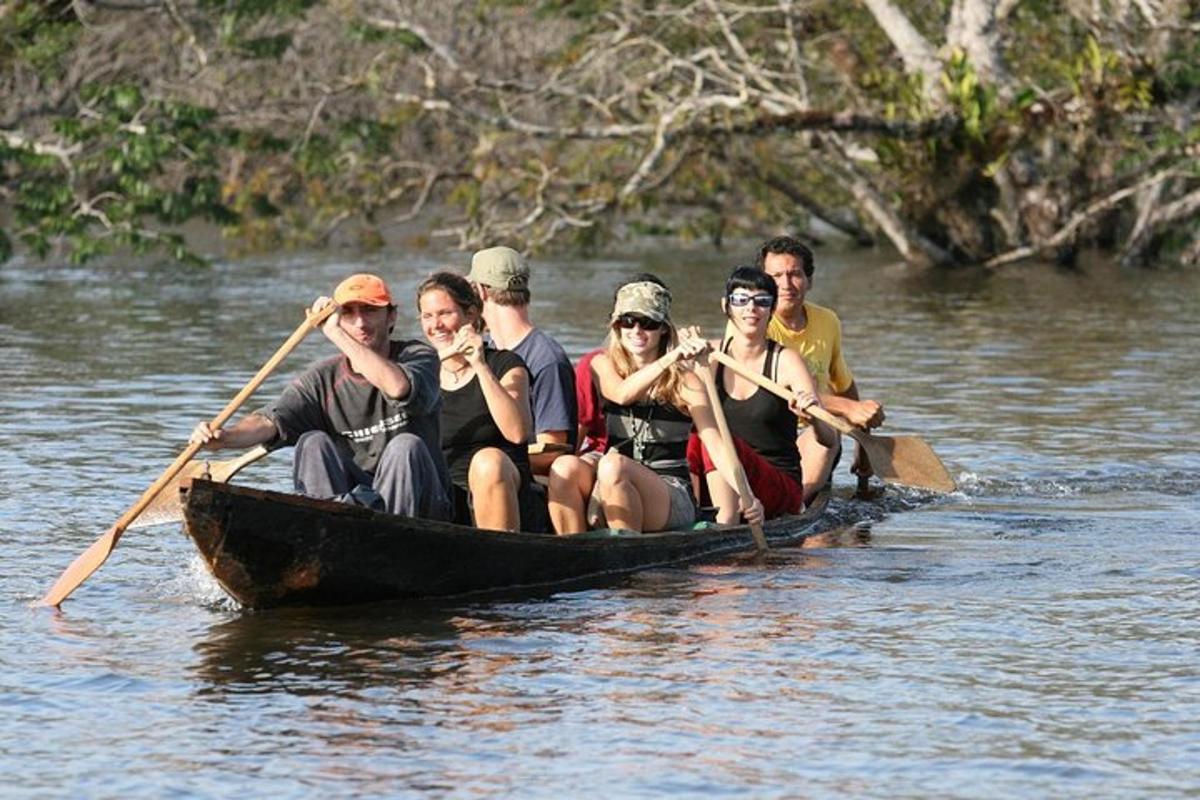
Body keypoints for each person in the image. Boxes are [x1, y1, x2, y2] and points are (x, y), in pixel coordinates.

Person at [190, 273, 452, 520]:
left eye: (370, 310)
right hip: (355, 505)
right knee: (312, 442)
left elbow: (397, 388)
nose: (360, 322)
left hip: (423, 506)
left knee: (405, 446)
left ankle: (393, 539)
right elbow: (270, 421)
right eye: (349, 313)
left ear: (391, 317)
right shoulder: (323, 379)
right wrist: (224, 438)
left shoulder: (419, 356)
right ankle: (328, 528)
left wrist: (336, 333)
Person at [548, 278, 764, 534]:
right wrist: (672, 356)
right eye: (627, 321)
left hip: (669, 490)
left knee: (613, 466)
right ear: (616, 326)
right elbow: (621, 394)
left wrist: (747, 496)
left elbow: (716, 444)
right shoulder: (603, 365)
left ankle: (626, 556)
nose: (637, 331)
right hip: (611, 475)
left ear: (663, 329)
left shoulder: (687, 382)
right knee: (564, 467)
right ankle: (576, 549)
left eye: (647, 323)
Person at [688, 266, 838, 522]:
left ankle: (725, 523)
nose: (751, 309)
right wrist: (676, 352)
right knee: (696, 436)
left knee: (723, 442)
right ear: (726, 306)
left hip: (777, 485)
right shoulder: (707, 356)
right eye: (741, 300)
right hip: (721, 477)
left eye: (762, 301)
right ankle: (690, 513)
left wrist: (813, 417)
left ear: (772, 307)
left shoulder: (787, 361)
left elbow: (828, 439)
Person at [756, 235, 885, 502]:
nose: (785, 284)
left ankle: (794, 506)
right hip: (764, 432)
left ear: (809, 280)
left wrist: (864, 450)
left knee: (827, 428)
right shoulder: (754, 322)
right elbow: (773, 388)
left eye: (795, 274)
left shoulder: (828, 321)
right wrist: (848, 408)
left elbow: (845, 387)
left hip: (817, 434)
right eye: (776, 275)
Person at [416, 270, 547, 532]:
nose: (436, 325)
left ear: (472, 314)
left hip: (504, 491)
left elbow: (518, 432)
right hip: (446, 499)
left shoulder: (505, 363)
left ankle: (502, 556)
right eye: (428, 316)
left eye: (445, 313)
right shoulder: (421, 372)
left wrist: (479, 365)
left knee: (487, 461)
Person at [467, 246, 577, 475]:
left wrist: (483, 464)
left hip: (520, 484)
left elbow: (552, 451)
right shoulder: (483, 350)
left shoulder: (546, 359)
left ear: (481, 291)